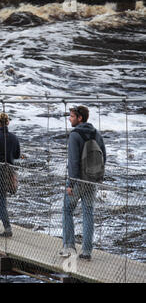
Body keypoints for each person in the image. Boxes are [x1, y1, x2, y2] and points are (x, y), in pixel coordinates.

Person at [60, 105, 106, 260]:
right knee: (88, 213)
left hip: (78, 180)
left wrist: (71, 184)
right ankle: (86, 251)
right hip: (92, 181)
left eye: (72, 116)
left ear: (79, 118)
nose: (69, 119)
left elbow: (73, 162)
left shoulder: (75, 135)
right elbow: (103, 157)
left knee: (67, 210)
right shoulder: (96, 133)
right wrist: (97, 177)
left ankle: (69, 247)